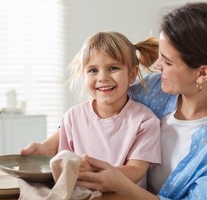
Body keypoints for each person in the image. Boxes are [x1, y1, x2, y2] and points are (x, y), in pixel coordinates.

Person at [75, 2, 207, 200]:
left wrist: (122, 185)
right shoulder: (155, 90)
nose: (156, 65)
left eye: (168, 61)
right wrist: (51, 142)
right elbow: (104, 109)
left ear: (202, 73)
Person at [21, 31, 161, 187]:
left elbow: (135, 170)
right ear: (83, 75)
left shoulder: (145, 121)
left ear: (132, 74)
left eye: (113, 68)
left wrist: (94, 172)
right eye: (93, 70)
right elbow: (60, 160)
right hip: (82, 199)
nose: (103, 77)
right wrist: (43, 151)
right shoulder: (73, 116)